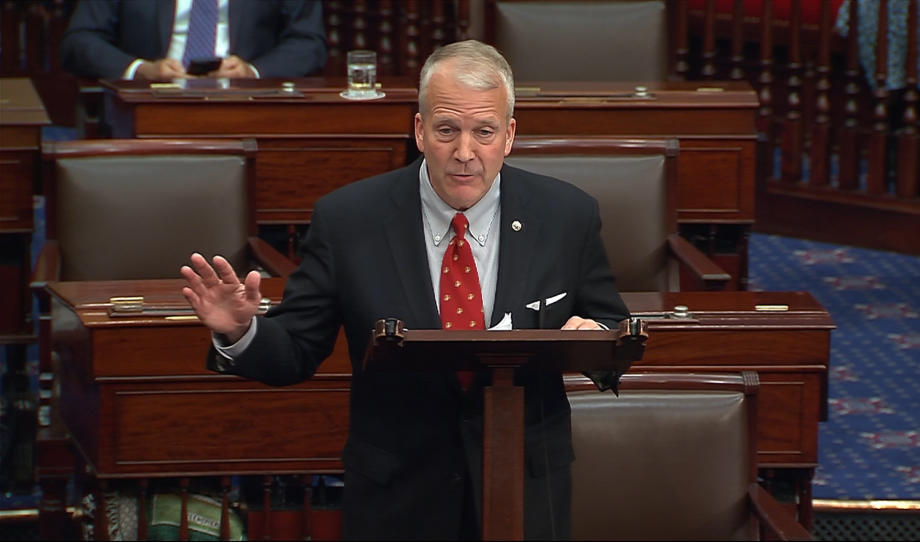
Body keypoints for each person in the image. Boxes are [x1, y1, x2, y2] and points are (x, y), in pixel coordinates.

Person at [180, 39, 628, 540]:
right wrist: (241, 331)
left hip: (524, 492)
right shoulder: (349, 220)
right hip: (398, 498)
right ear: (419, 130)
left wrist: (594, 340)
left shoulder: (567, 216)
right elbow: (298, 350)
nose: (465, 153)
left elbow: (612, 330)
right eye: (446, 130)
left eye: (484, 132)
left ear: (509, 135)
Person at [60, 0, 327, 80]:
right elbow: (80, 41)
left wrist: (252, 73)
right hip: (149, 103)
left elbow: (308, 42)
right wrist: (141, 70)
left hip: (246, 104)